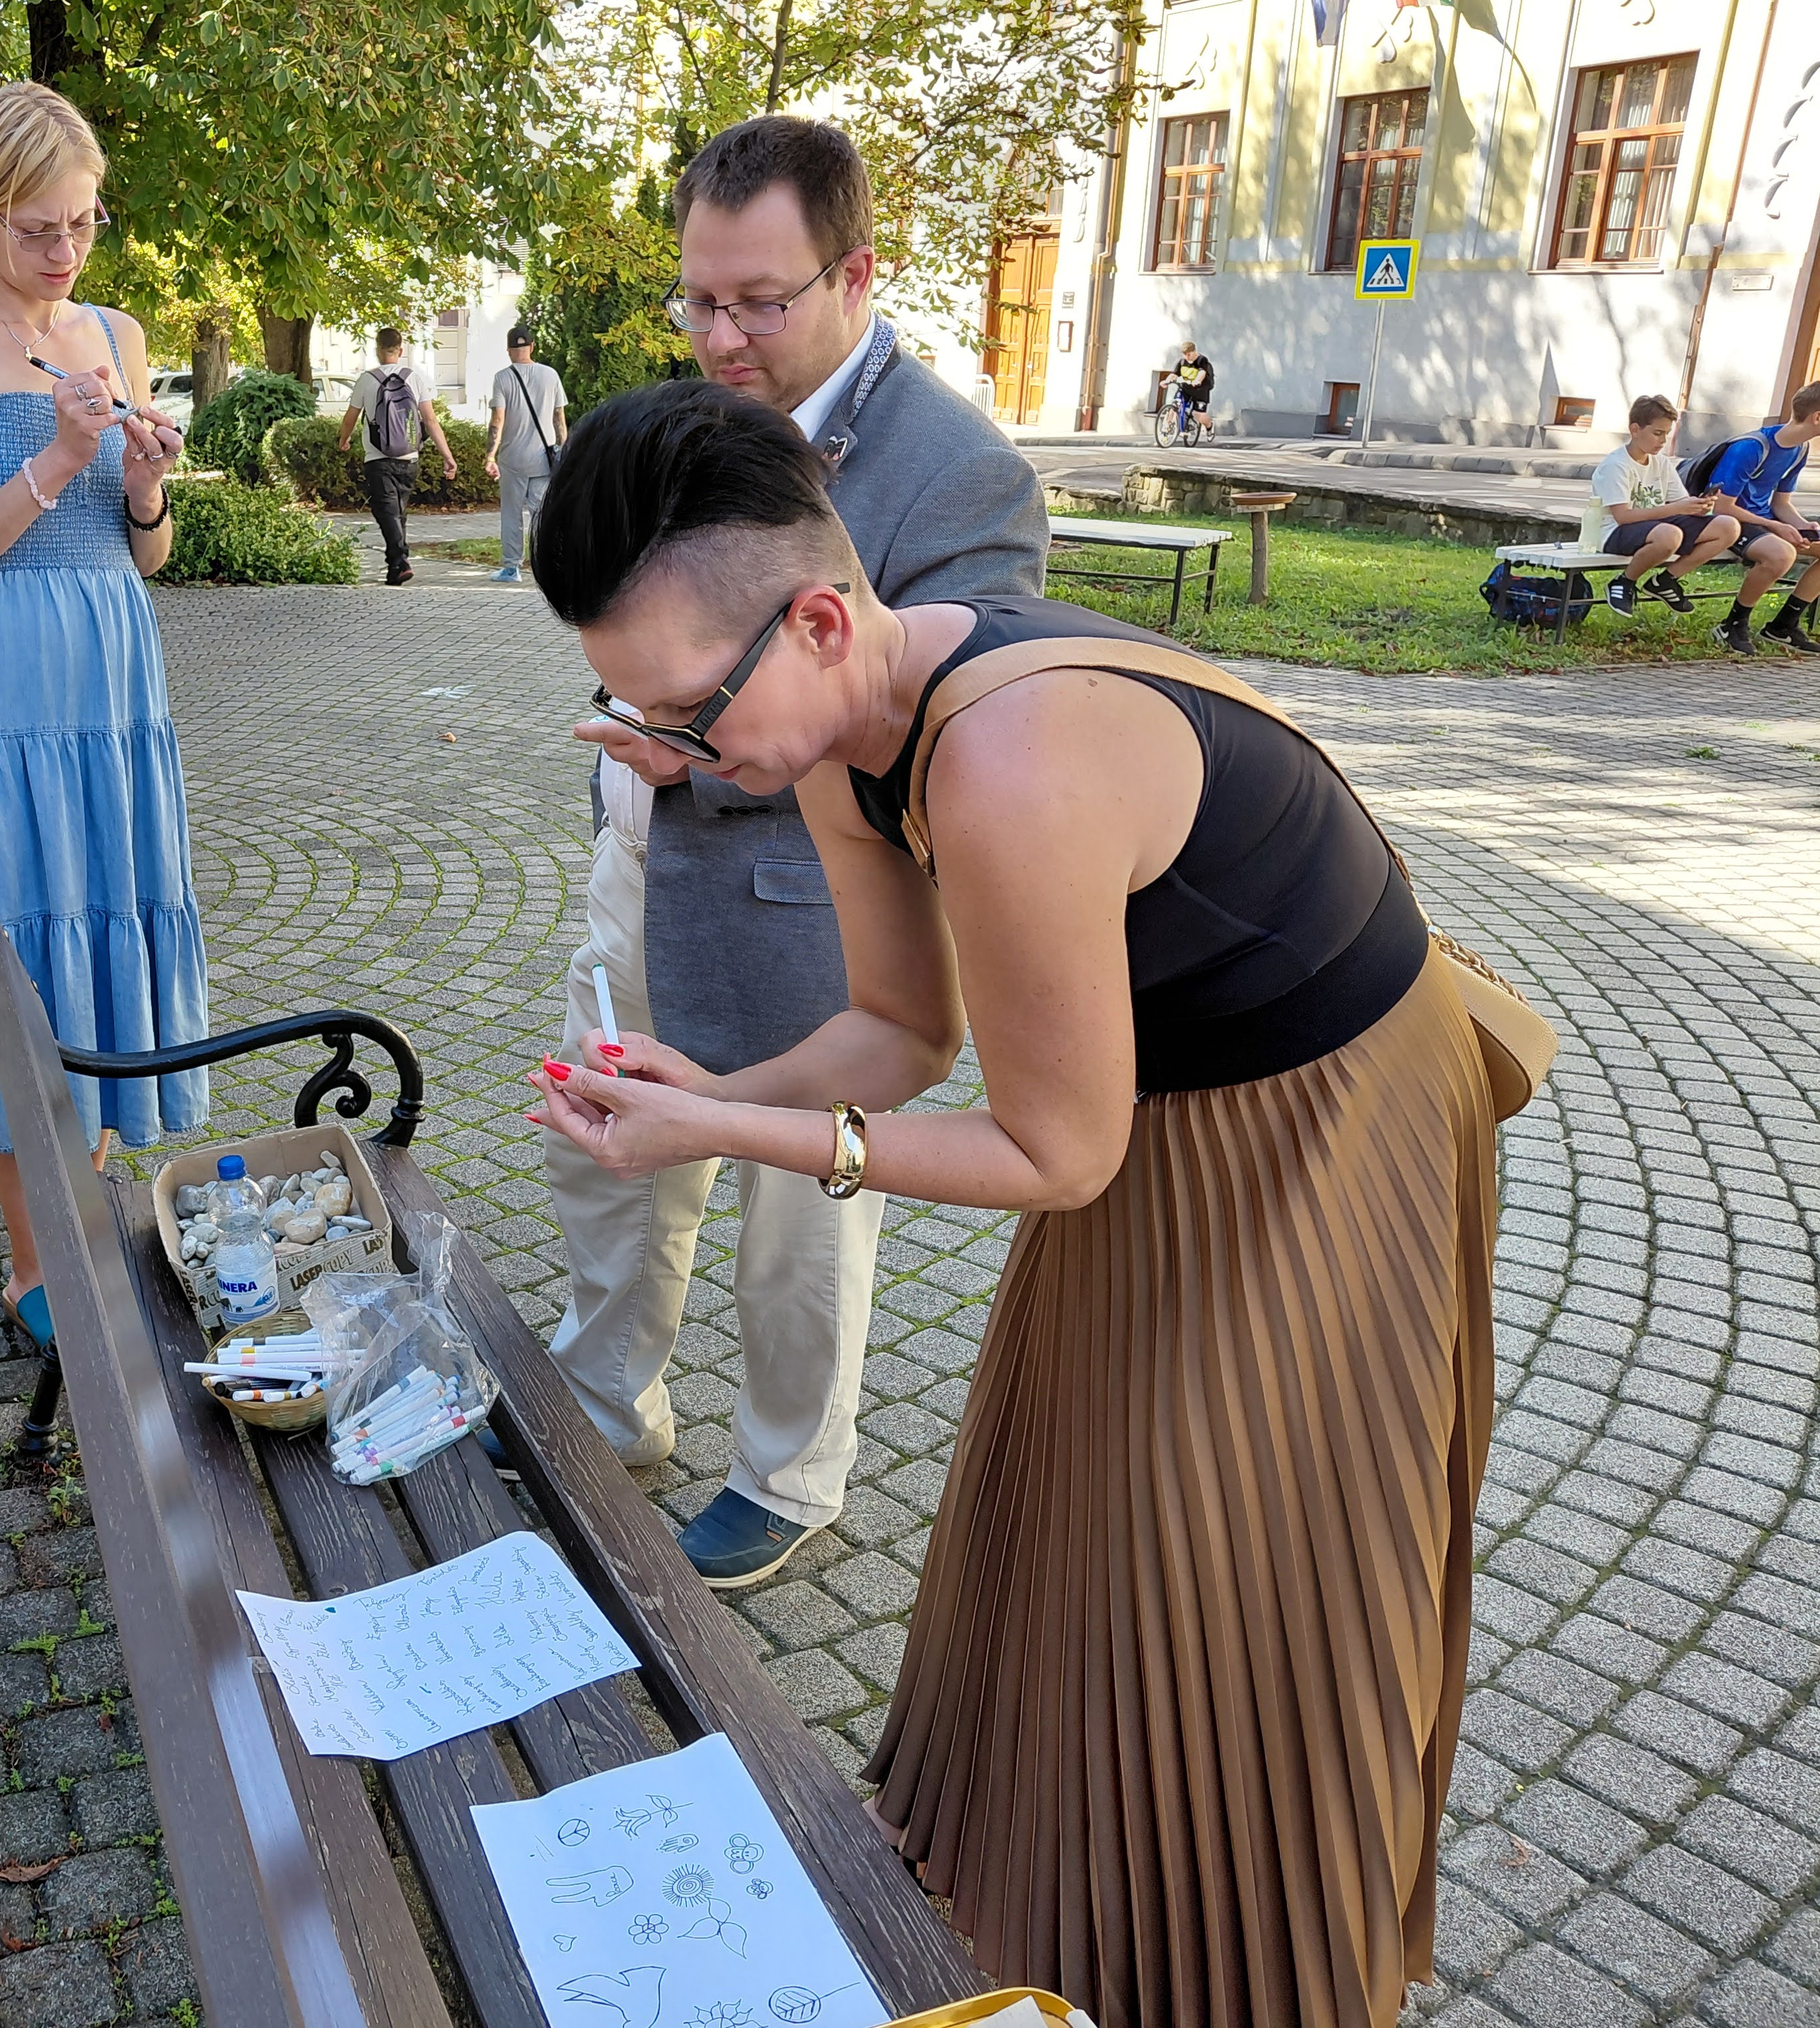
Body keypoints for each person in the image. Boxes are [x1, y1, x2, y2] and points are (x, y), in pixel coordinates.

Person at [528, 376, 1500, 2028]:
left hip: (1326, 1120)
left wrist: (744, 1133)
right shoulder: (840, 731)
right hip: (1154, 1106)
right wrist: (706, 1096)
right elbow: (902, 1036)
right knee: (1070, 1513)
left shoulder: (1003, 761)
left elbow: (1056, 1158)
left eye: (685, 715)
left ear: (817, 620)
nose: (675, 759)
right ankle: (1050, 1905)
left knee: (1227, 1567)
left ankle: (1241, 1969)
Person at [543, 113, 1048, 1589]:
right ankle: (604, 1407)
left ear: (856, 275)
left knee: (801, 1213)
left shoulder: (960, 471)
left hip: (814, 902)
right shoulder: (692, 416)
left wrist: (700, 747)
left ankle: (785, 1475)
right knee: (612, 1156)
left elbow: (943, 735)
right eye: (698, 299)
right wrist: (654, 728)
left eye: (758, 302)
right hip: (645, 860)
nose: (720, 337)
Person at [0, 82, 210, 1352]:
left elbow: (147, 554)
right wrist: (60, 462)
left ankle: (93, 1224)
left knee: (104, 933)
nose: (66, 250)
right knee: (19, 956)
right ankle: (38, 1262)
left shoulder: (116, 334)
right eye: (37, 228)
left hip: (111, 685)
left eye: (83, 223)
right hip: (0, 694)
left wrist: (142, 487)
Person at [1581, 394, 1743, 619]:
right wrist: (1678, 509)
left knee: (1728, 527)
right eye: (1657, 433)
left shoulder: (1661, 462)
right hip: (1612, 532)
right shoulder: (1616, 465)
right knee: (1670, 535)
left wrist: (1699, 506)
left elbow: (1679, 503)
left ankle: (1665, 581)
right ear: (1635, 430)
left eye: (1667, 434)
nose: (1663, 441)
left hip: (1657, 527)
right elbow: (1623, 517)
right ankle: (1624, 582)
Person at [1695, 380, 1820, 655]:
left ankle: (1783, 627)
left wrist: (1802, 525)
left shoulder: (1800, 449)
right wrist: (1775, 526)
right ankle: (1732, 625)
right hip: (1730, 523)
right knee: (1781, 555)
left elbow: (1781, 503)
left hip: (1762, 522)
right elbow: (1721, 507)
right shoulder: (1750, 448)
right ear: (1817, 418)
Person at [337, 326, 456, 585]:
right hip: (409, 458)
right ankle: (395, 569)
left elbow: (350, 418)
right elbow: (430, 420)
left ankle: (401, 561)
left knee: (387, 513)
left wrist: (344, 440)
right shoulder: (413, 378)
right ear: (400, 351)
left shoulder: (367, 380)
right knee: (397, 513)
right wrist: (447, 456)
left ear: (377, 350)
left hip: (378, 458)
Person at [486, 323, 567, 583]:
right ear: (532, 347)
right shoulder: (551, 375)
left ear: (509, 350)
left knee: (511, 515)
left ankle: (512, 569)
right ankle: (551, 564)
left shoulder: (502, 378)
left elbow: (497, 421)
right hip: (543, 458)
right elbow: (559, 418)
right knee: (542, 514)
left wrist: (490, 456)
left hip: (512, 460)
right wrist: (563, 451)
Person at [1170, 341, 1216, 428]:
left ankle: (1210, 426)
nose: (1187, 357)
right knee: (1174, 406)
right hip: (1186, 388)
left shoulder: (1202, 360)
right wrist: (1168, 380)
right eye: (1185, 355)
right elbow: (1175, 373)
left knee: (1199, 414)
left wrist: (1197, 381)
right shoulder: (1182, 362)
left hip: (1201, 391)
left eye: (1189, 354)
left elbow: (1202, 373)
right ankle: (1167, 428)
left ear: (1194, 351)